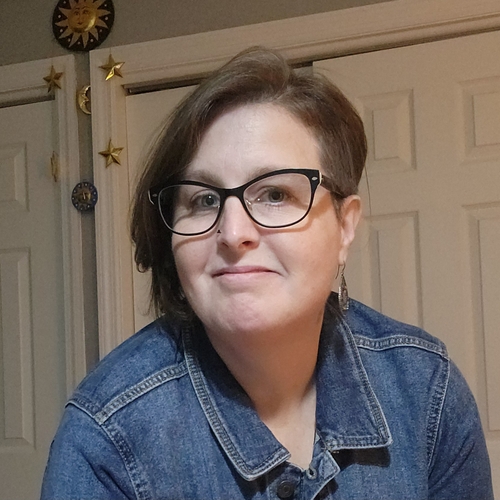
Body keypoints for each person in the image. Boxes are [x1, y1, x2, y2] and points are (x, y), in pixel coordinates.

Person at [41, 48, 493, 500]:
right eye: (203, 200)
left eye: (275, 194)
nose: (234, 233)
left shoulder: (426, 390)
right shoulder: (107, 435)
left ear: (345, 226)